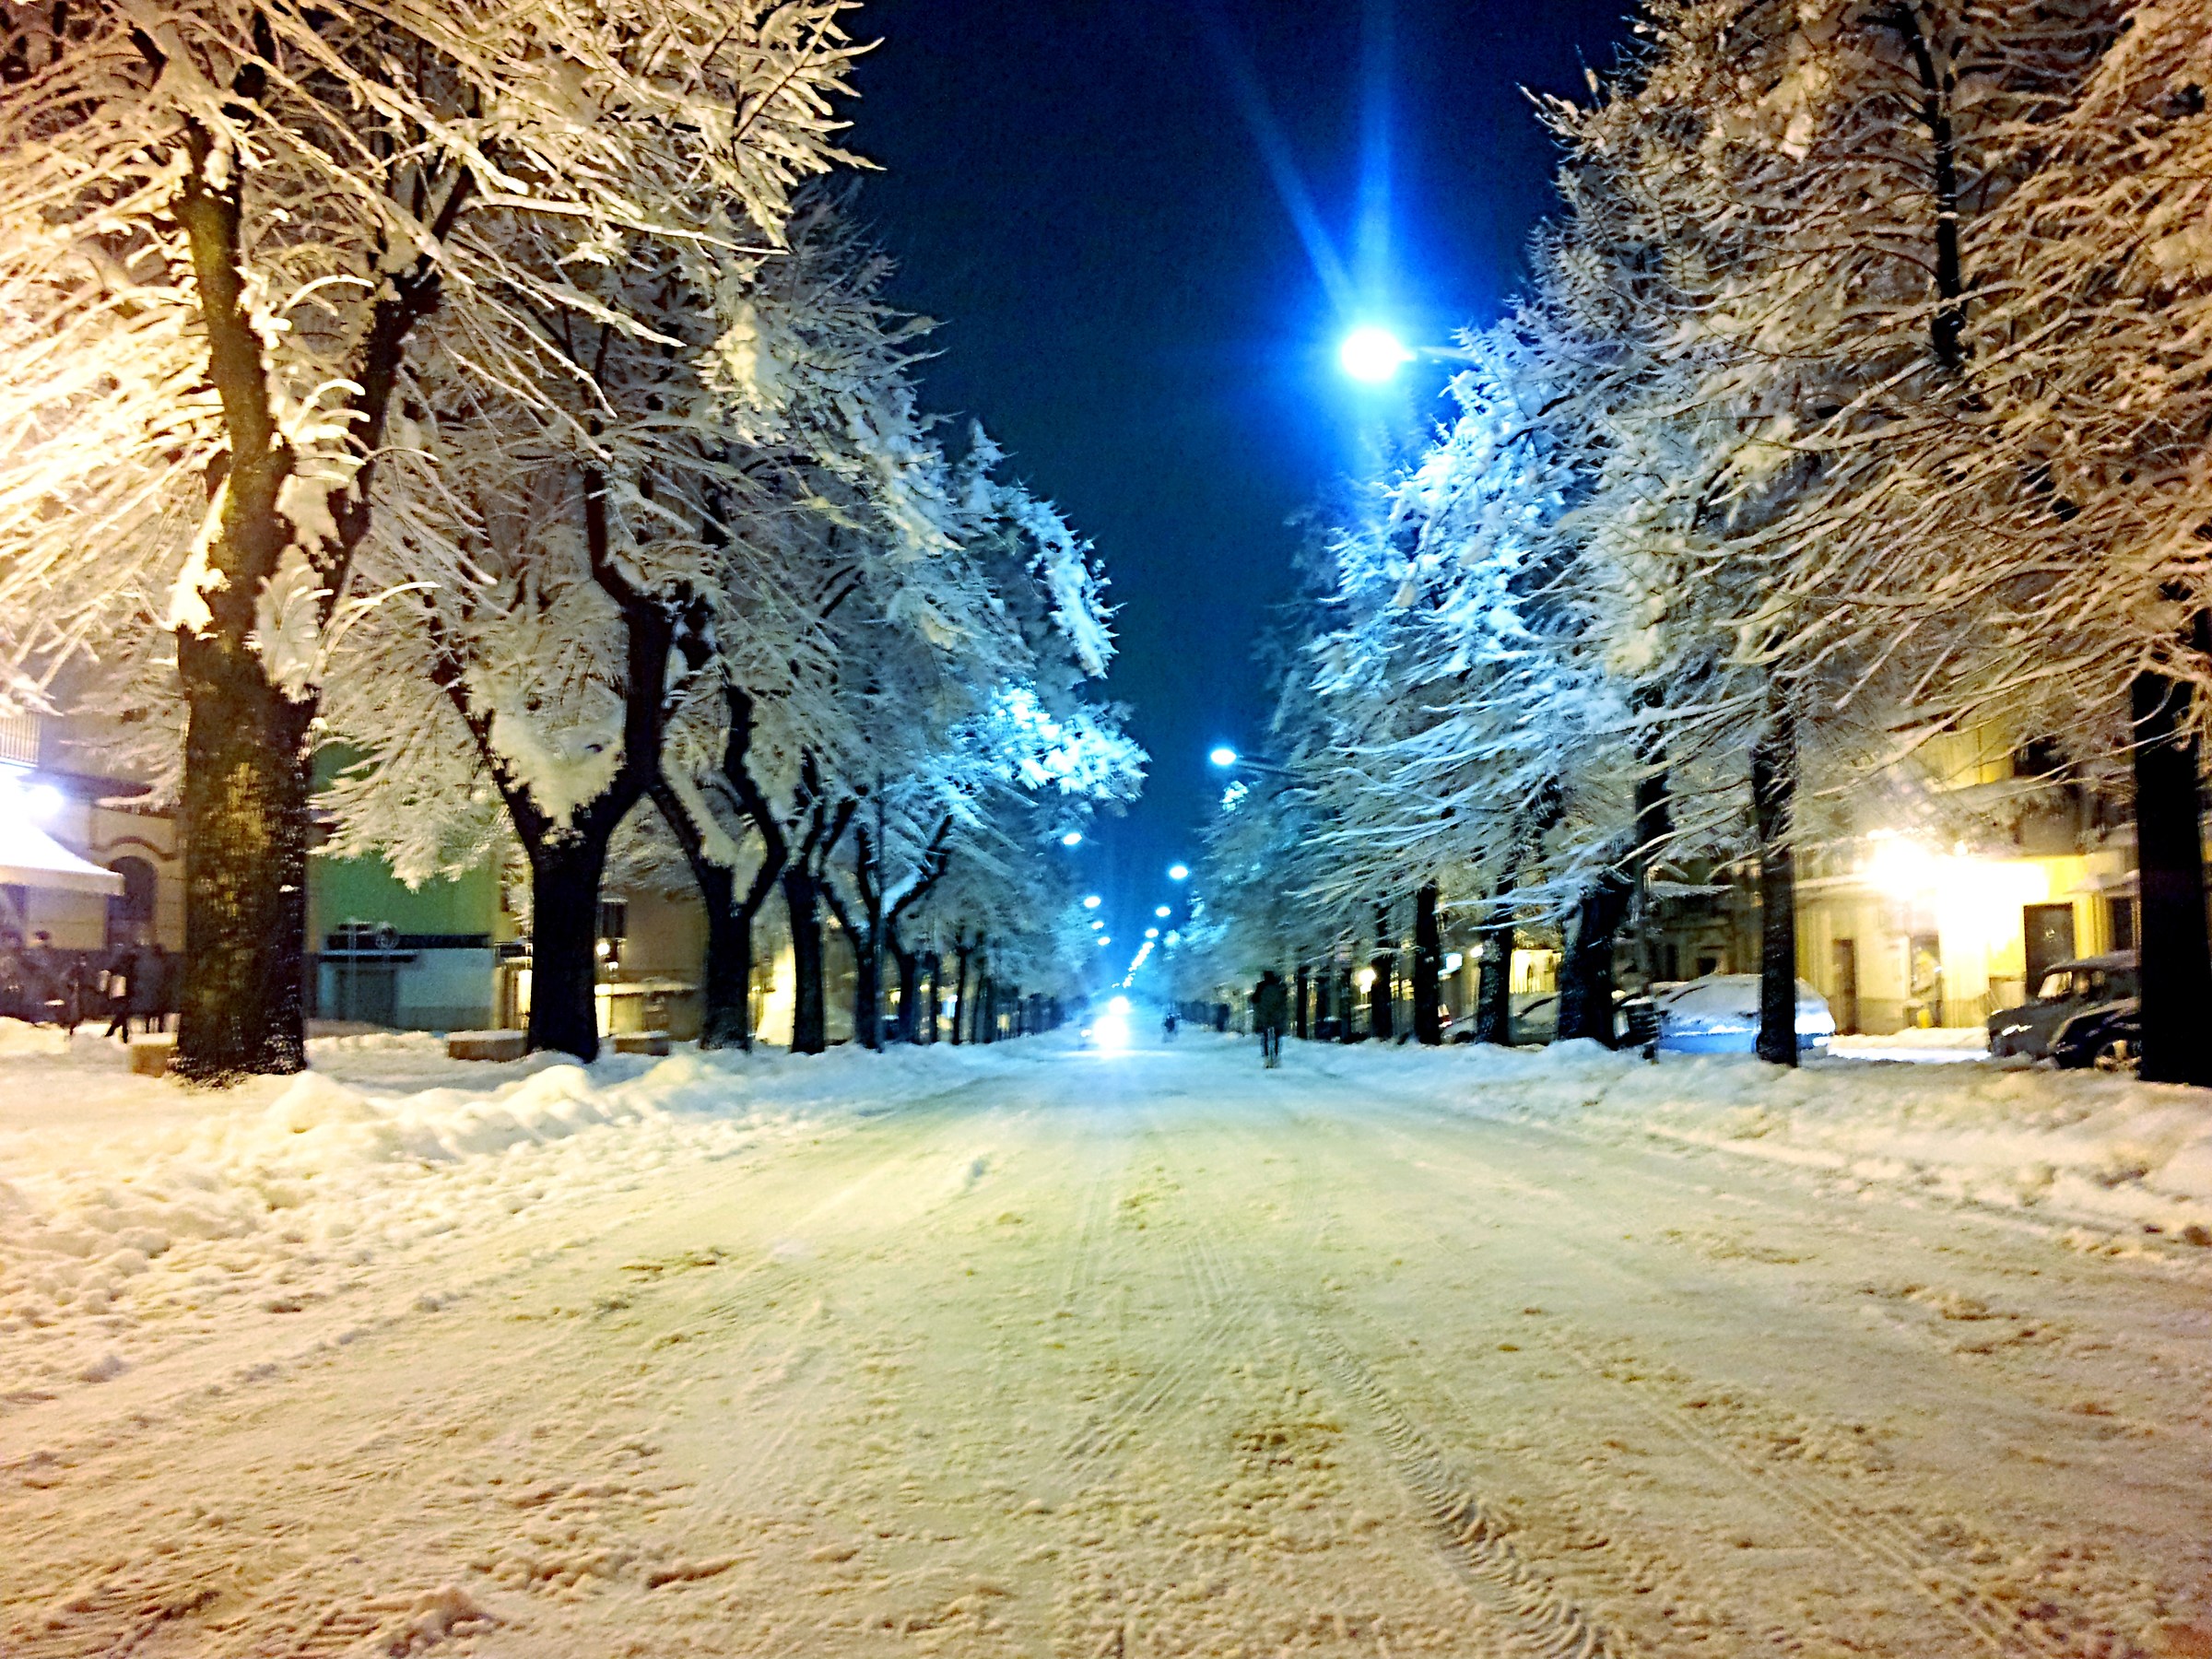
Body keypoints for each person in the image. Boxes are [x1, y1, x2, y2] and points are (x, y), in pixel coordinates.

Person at [1253, 969, 1290, 1069]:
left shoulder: (1260, 987)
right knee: (1277, 1037)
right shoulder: (1279, 986)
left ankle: (1266, 1059)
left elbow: (1254, 1000)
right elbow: (1284, 1000)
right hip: (1277, 1015)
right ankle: (1276, 1058)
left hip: (1264, 1015)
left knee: (1265, 1037)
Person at [101, 944, 137, 1040]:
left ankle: (118, 1031)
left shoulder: (119, 963)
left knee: (122, 1013)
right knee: (123, 1013)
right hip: (123, 989)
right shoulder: (130, 964)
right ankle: (118, 1032)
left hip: (118, 989)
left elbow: (111, 970)